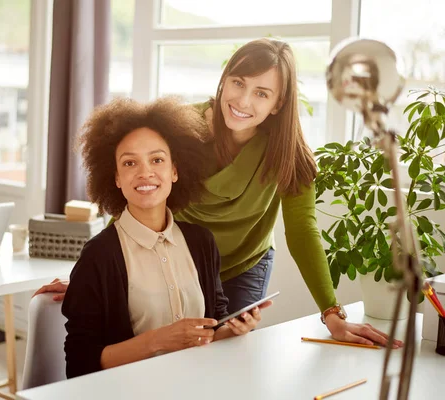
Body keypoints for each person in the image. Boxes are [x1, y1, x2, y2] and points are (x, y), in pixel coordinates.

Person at [37, 38, 402, 348]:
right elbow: (140, 192)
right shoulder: (181, 128)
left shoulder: (289, 153)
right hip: (178, 258)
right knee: (162, 344)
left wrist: (332, 314)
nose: (243, 101)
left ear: (278, 103)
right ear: (224, 81)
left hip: (245, 264)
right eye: (238, 83)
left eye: (262, 93)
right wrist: (96, 279)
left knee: (228, 351)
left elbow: (303, 231)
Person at [61, 97, 271, 378]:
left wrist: (232, 330)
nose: (145, 172)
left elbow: (213, 328)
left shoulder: (201, 243)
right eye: (130, 163)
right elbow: (79, 362)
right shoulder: (99, 255)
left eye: (157, 160)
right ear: (116, 178)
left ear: (174, 170)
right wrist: (157, 340)